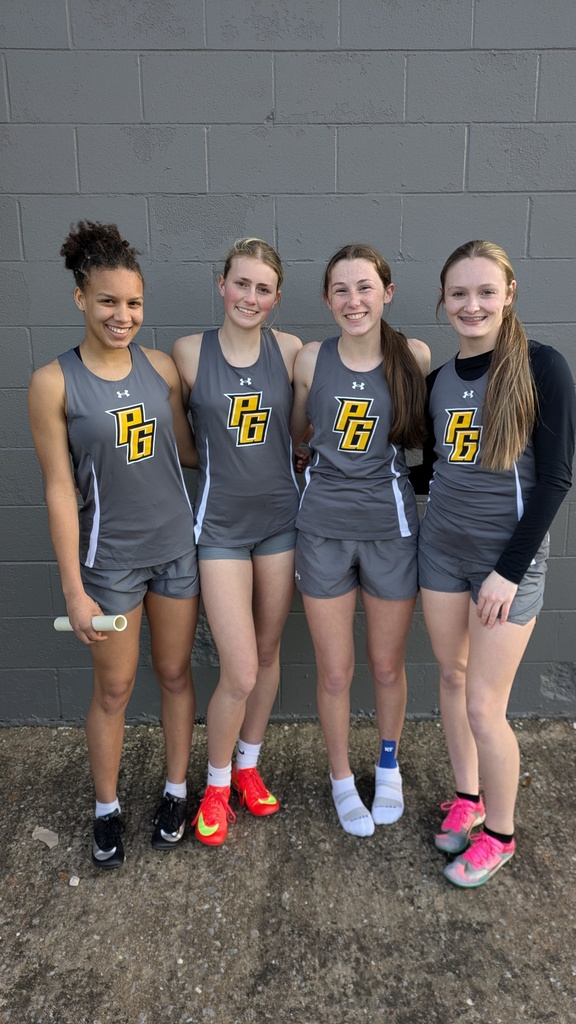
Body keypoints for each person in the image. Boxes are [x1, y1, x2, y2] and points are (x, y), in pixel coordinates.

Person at [28, 221, 199, 869]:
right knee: (115, 688)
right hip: (112, 565)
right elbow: (57, 491)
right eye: (107, 301)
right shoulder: (54, 384)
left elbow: (185, 450)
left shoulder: (159, 369)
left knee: (177, 674)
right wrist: (74, 586)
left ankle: (177, 792)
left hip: (178, 551)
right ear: (80, 298)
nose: (121, 315)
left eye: (132, 303)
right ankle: (106, 809)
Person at [414, 239, 575, 887]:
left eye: (486, 292)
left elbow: (556, 481)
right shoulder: (439, 382)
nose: (472, 304)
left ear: (509, 295)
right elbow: (438, 470)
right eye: (459, 293)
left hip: (505, 565)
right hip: (440, 554)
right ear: (444, 302)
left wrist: (509, 570)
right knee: (451, 683)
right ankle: (468, 799)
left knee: (485, 705)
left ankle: (502, 836)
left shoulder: (543, 368)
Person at [290, 243, 430, 837]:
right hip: (321, 530)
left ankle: (389, 766)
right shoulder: (309, 359)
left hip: (390, 531)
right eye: (341, 290)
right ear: (327, 299)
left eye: (365, 287)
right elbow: (299, 432)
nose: (354, 300)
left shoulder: (413, 356)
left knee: (386, 664)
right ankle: (342, 777)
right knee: (335, 670)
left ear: (387, 292)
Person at [172, 237, 302, 846]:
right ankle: (217, 782)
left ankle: (249, 767)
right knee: (241, 667)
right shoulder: (190, 352)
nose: (251, 296)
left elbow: (300, 433)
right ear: (220, 284)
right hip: (220, 525)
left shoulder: (292, 351)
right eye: (241, 283)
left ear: (277, 298)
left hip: (281, 521)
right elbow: (184, 444)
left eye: (264, 288)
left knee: (269, 655)